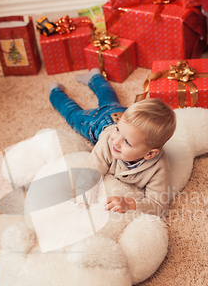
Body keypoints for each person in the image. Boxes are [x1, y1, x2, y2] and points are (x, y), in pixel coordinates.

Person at [48, 69, 176, 216]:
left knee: (109, 101)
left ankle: (95, 77)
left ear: (150, 153)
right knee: (72, 114)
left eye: (127, 142)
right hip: (98, 123)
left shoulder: (159, 169)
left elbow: (158, 205)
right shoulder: (108, 140)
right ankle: (56, 91)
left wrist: (132, 204)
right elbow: (93, 166)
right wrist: (87, 189)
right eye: (118, 131)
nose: (115, 140)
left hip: (121, 117)